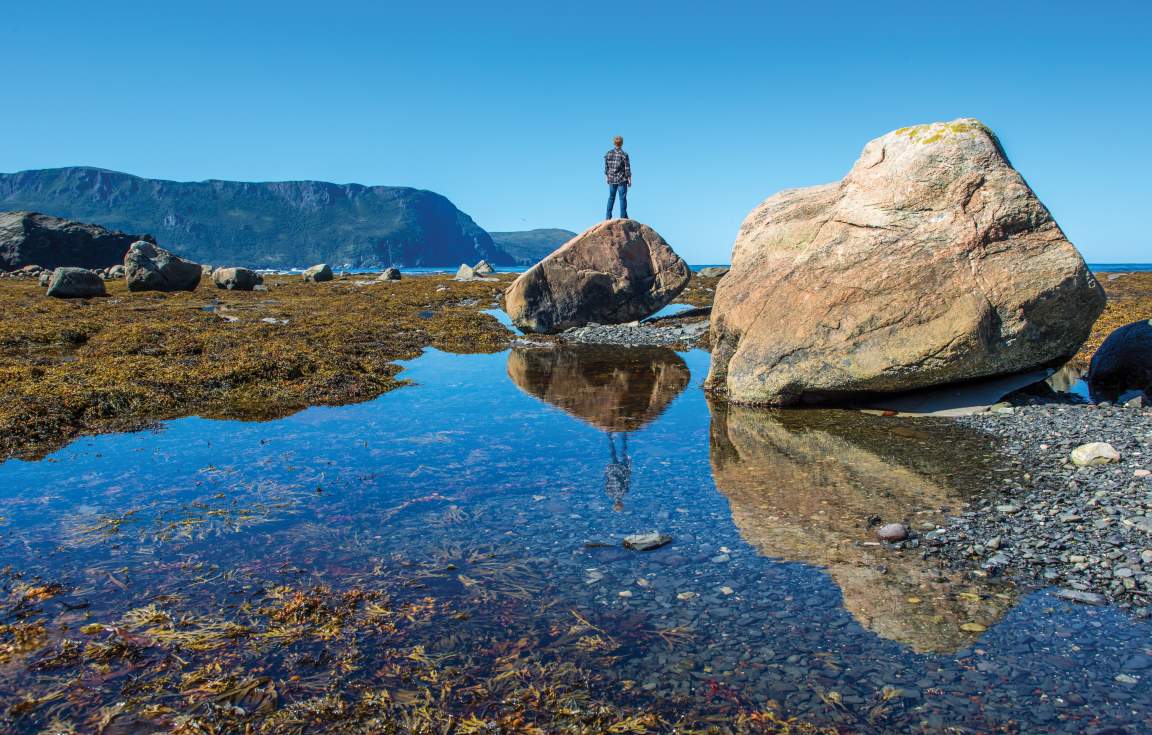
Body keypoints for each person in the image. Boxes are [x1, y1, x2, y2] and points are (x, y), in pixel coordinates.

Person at [604, 135, 631, 220]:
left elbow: (606, 167)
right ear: (622, 143)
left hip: (611, 179)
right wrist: (629, 179)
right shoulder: (624, 154)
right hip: (621, 179)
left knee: (611, 197)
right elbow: (627, 168)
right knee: (622, 198)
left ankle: (608, 217)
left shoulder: (608, 153)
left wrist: (606, 177)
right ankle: (623, 217)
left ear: (614, 143)